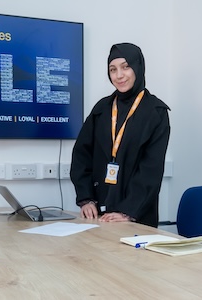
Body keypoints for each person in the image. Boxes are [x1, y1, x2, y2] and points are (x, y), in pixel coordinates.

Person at [70, 43, 170, 227]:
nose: (119, 75)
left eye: (126, 67)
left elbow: (151, 169)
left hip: (136, 218)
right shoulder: (101, 109)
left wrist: (128, 212)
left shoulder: (155, 112)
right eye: (113, 69)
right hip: (97, 216)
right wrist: (86, 199)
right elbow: (81, 155)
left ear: (138, 67)